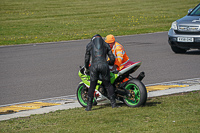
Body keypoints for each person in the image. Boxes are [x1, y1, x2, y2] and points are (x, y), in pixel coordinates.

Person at [84, 34, 117, 111]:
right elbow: (112, 58)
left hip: (94, 66)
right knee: (108, 85)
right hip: (104, 65)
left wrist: (87, 68)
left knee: (92, 86)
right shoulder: (105, 44)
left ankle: (89, 107)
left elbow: (86, 59)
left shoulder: (89, 44)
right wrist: (110, 63)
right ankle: (113, 104)